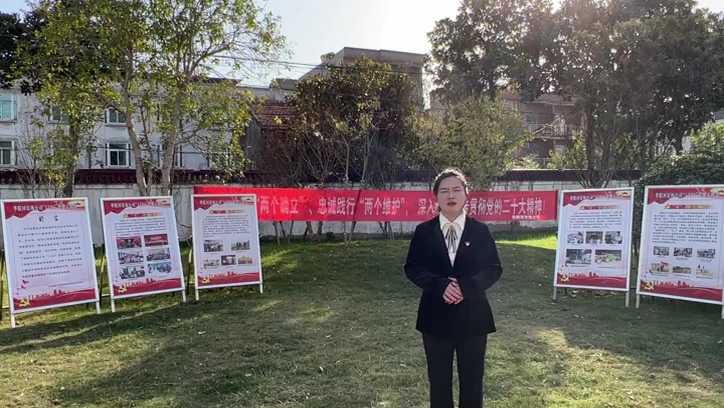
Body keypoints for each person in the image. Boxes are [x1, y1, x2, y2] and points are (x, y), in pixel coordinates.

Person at [404, 168, 503, 408]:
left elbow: (493, 268)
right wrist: (439, 286)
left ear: (466, 194)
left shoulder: (479, 231)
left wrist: (465, 287)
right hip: (435, 316)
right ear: (436, 196)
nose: (451, 196)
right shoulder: (424, 232)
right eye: (444, 191)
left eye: (456, 190)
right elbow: (412, 267)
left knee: (472, 382)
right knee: (438, 382)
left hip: (473, 316)